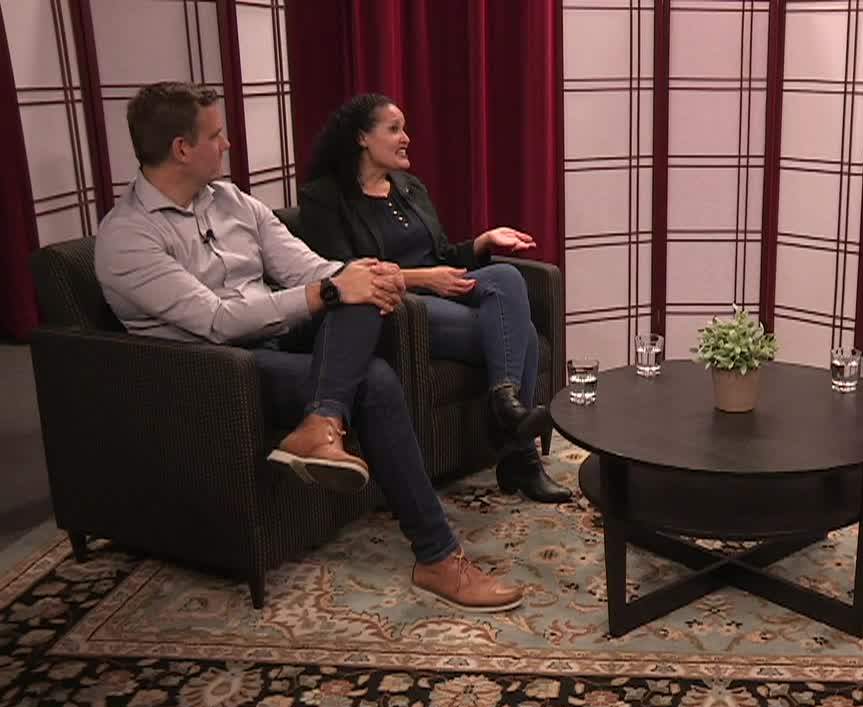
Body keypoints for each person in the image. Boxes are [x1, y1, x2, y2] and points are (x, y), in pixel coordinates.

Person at [94, 81, 524, 612]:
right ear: (182, 149)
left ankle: (320, 424)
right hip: (213, 369)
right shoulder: (128, 239)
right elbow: (216, 321)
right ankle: (437, 555)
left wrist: (367, 274)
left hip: (274, 333)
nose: (227, 144)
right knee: (374, 379)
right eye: (216, 135)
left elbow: (305, 266)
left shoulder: (232, 201)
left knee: (358, 289)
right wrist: (330, 289)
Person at [298, 93, 571, 504]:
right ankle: (519, 452)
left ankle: (504, 401)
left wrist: (482, 241)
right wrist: (425, 279)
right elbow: (343, 273)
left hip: (442, 294)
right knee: (526, 336)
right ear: (361, 138)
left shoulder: (409, 188)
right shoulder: (324, 197)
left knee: (506, 276)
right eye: (394, 129)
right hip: (395, 309)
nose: (406, 138)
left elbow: (442, 256)